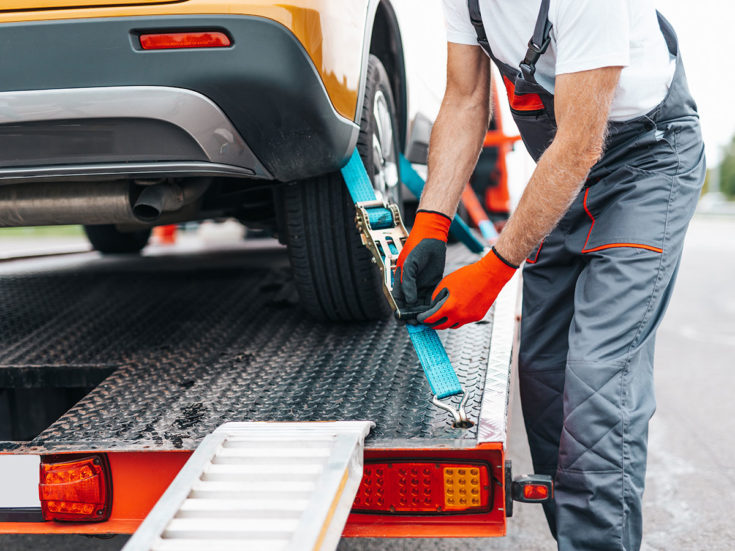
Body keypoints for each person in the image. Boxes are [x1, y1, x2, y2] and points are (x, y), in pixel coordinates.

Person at [392, 1, 705, 549]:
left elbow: (582, 141)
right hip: (566, 171)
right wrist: (432, 223)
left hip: (646, 164)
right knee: (546, 381)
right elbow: (466, 100)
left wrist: (493, 271)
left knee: (596, 385)